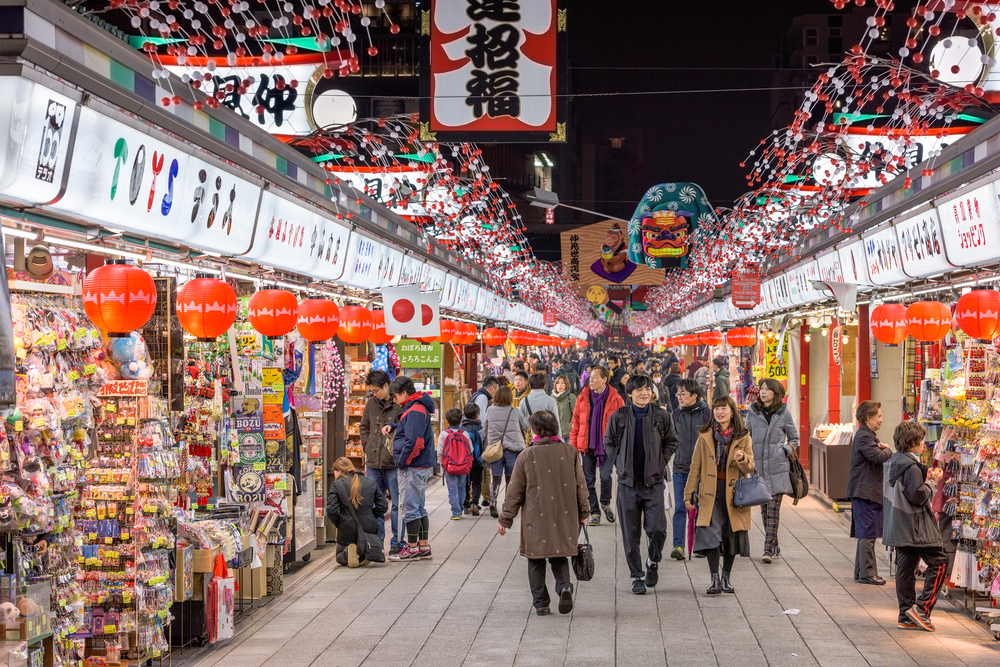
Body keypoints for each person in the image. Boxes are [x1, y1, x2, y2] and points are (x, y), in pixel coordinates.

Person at [498, 411, 590, 616]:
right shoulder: (570, 451)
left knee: (535, 558)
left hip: (535, 515)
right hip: (564, 514)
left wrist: (505, 518)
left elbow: (515, 491)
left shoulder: (526, 455)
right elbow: (580, 485)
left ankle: (541, 603)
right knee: (559, 555)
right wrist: (584, 512)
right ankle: (564, 586)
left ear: (536, 430)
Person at [604, 375, 679, 595]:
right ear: (629, 393)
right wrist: (619, 461)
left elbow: (671, 441)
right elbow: (608, 442)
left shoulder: (661, 416)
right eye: (639, 390)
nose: (644, 393)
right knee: (631, 533)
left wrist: (660, 461)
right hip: (628, 483)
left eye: (647, 389)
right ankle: (636, 575)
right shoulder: (619, 417)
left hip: (654, 483)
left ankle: (653, 561)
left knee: (658, 529)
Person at [685, 396, 754, 595]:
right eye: (717, 409)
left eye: (724, 408)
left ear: (732, 411)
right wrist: (689, 493)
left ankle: (726, 578)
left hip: (734, 494)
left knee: (730, 534)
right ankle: (714, 579)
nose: (720, 412)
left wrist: (742, 459)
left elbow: (751, 466)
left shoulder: (743, 436)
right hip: (710, 492)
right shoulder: (706, 435)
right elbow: (695, 467)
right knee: (710, 534)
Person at [884, 421, 948, 632]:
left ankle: (905, 615)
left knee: (905, 567)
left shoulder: (896, 461)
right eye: (921, 440)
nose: (923, 444)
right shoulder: (910, 466)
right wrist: (933, 482)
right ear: (913, 443)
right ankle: (921, 608)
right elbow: (918, 496)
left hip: (899, 523)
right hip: (915, 525)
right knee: (939, 562)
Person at [745, 378, 799, 563]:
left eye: (767, 389)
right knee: (764, 510)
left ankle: (767, 549)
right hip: (758, 467)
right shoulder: (753, 412)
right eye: (761, 389)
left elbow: (794, 439)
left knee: (773, 510)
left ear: (776, 393)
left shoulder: (785, 414)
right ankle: (774, 545)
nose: (762, 392)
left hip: (777, 467)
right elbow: (746, 434)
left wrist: (784, 450)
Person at [383, 375, 436, 562]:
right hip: (418, 465)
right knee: (419, 508)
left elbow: (414, 441)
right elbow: (411, 431)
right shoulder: (416, 407)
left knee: (411, 508)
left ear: (404, 393)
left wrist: (402, 461)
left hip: (413, 466)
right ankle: (423, 546)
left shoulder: (414, 410)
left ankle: (412, 549)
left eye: (395, 396)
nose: (394, 400)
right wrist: (394, 425)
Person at [569, 367, 625, 526]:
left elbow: (622, 424)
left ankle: (605, 503)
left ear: (605, 379)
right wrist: (573, 448)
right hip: (586, 444)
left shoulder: (616, 399)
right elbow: (576, 424)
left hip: (608, 445)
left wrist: (620, 446)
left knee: (606, 476)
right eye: (590, 377)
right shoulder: (583, 397)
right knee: (588, 480)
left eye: (594, 377)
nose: (590, 380)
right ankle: (594, 512)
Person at [846, 400, 891, 584]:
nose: (881, 419)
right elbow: (877, 456)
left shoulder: (867, 435)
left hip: (864, 490)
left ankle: (861, 571)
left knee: (866, 533)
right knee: (868, 534)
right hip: (865, 491)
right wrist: (887, 449)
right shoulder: (865, 436)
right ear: (868, 417)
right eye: (878, 416)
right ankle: (868, 573)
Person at [360, 370, 402, 555]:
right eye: (371, 391)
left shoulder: (399, 403)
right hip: (373, 462)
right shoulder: (371, 404)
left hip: (393, 463)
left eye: (376, 390)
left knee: (397, 504)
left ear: (387, 386)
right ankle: (377, 544)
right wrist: (366, 445)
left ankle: (397, 542)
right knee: (374, 504)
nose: (374, 394)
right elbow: (364, 427)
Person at [670, 379, 711, 560]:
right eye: (678, 394)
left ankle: (700, 545)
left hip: (702, 470)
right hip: (680, 468)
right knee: (680, 507)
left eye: (683, 394)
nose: (679, 397)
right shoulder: (675, 415)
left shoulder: (707, 414)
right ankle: (678, 545)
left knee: (702, 507)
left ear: (694, 395)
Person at [326, 457, 388, 568]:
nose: (334, 476)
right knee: (363, 545)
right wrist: (371, 516)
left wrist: (339, 522)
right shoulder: (370, 482)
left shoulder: (337, 484)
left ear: (339, 470)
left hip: (346, 529)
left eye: (334, 472)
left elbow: (331, 510)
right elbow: (383, 505)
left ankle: (348, 552)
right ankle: (363, 554)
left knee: (339, 557)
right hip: (368, 528)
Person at [482, 384, 531, 518]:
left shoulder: (490, 410)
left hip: (495, 449)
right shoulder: (515, 411)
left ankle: (493, 500)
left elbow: (484, 429)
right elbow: (526, 426)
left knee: (496, 477)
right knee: (511, 478)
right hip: (512, 449)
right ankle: (507, 505)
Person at [436, 408, 474, 520]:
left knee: (452, 489)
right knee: (461, 487)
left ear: (447, 421)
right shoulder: (465, 433)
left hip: (450, 466)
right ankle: (461, 508)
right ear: (461, 420)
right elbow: (470, 450)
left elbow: (440, 452)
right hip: (463, 466)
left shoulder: (444, 434)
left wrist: (442, 464)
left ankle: (455, 512)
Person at [461, 403, 485, 516]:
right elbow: (484, 443)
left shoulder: (461, 429)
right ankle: (475, 503)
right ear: (477, 415)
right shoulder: (481, 429)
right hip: (477, 460)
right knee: (476, 482)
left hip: (464, 461)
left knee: (466, 482)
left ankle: (465, 505)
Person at [552, 375, 577, 442]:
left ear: (566, 385)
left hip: (568, 433)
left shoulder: (571, 397)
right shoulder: (551, 398)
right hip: (554, 433)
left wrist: (569, 427)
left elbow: (575, 414)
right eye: (558, 383)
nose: (560, 385)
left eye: (562, 383)